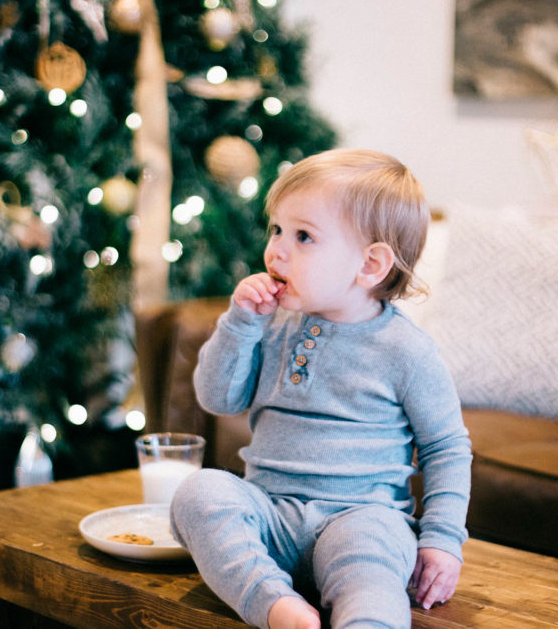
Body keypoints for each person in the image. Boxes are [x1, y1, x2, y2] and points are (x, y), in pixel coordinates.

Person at [170, 149, 472, 629]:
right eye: (276, 230)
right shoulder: (270, 324)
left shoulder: (406, 351)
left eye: (303, 236)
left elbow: (447, 448)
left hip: (361, 520)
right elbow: (218, 398)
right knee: (197, 493)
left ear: (371, 265)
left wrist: (441, 539)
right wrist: (240, 325)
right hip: (269, 514)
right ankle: (274, 604)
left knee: (372, 564)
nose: (276, 250)